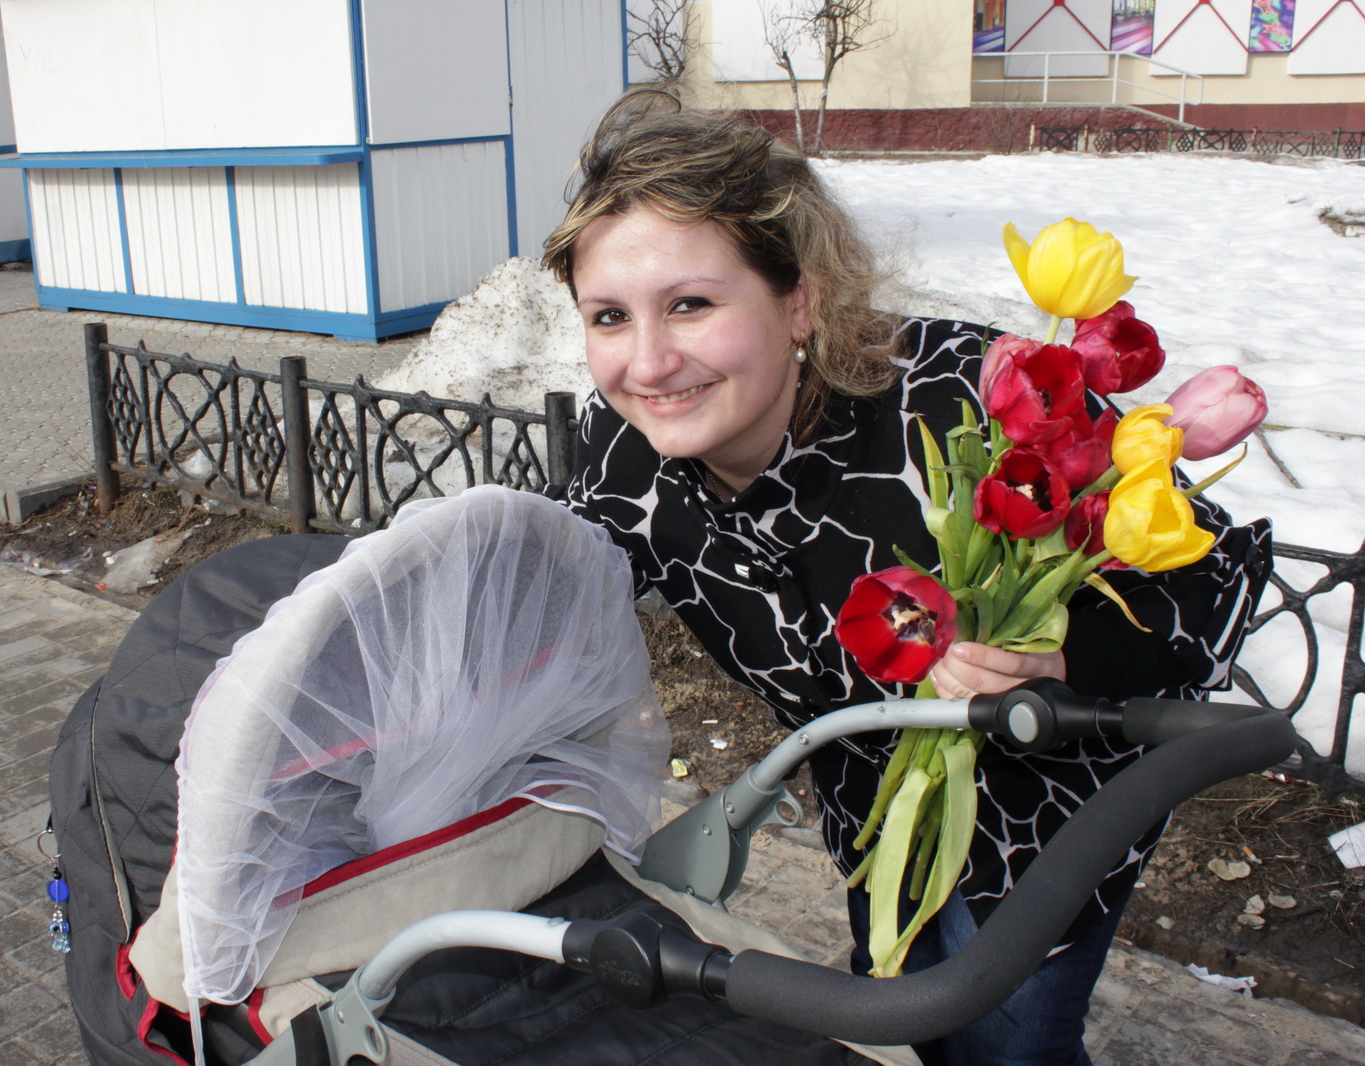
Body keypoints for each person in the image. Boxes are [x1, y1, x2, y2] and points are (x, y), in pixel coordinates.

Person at [541, 91, 1271, 1066]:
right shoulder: (625, 453)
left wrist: (1058, 656)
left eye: (691, 304)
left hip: (1049, 810)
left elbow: (1209, 578)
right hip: (874, 804)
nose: (648, 362)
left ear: (798, 301)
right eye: (608, 316)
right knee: (908, 1019)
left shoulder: (971, 396)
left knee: (1004, 1044)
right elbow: (542, 592)